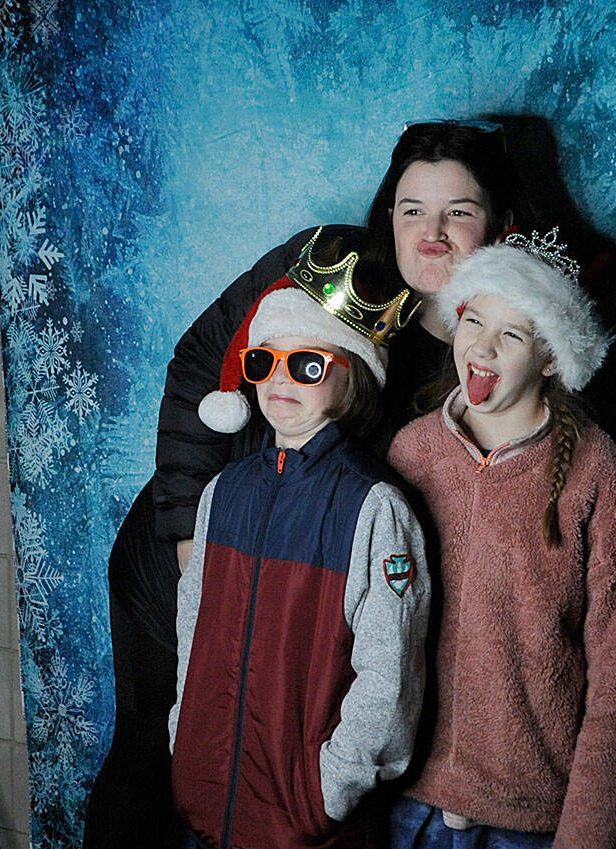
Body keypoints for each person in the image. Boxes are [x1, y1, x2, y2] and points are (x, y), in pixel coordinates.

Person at [84, 119, 522, 848]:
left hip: (309, 601)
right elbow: (203, 364)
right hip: (195, 554)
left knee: (282, 795)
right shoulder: (324, 261)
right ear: (388, 215)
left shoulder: (498, 341)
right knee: (157, 761)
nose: (432, 234)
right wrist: (196, 540)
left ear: (500, 226)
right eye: (412, 210)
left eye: (459, 213)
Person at [386, 230, 616, 848]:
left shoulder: (598, 474)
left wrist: (586, 837)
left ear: (552, 357)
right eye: (474, 319)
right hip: (409, 806)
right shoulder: (410, 451)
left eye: (512, 333)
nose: (482, 346)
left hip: (528, 820)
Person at [168, 265, 431, 849]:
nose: (280, 381)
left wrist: (331, 788)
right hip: (206, 804)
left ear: (352, 376)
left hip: (305, 820)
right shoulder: (224, 493)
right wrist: (181, 739)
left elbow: (390, 673)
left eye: (308, 365)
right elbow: (192, 629)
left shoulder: (374, 506)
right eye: (263, 362)